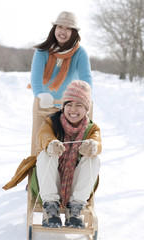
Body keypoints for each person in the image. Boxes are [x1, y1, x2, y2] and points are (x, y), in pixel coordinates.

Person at [36, 80, 102, 229]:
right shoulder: (51, 122)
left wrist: (92, 147)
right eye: (69, 104)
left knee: (93, 159)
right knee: (46, 154)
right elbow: (44, 135)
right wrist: (51, 144)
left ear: (86, 109)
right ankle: (50, 208)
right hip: (50, 182)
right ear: (63, 107)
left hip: (76, 186)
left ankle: (75, 209)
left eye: (79, 105)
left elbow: (97, 143)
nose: (73, 109)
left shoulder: (92, 128)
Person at [30, 11, 92, 156]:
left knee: (68, 150)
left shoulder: (80, 53)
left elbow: (86, 80)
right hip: (45, 105)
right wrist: (40, 94)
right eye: (60, 27)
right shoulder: (42, 51)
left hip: (71, 108)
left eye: (68, 28)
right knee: (41, 147)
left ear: (74, 32)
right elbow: (35, 77)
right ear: (54, 29)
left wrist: (84, 100)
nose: (63, 32)